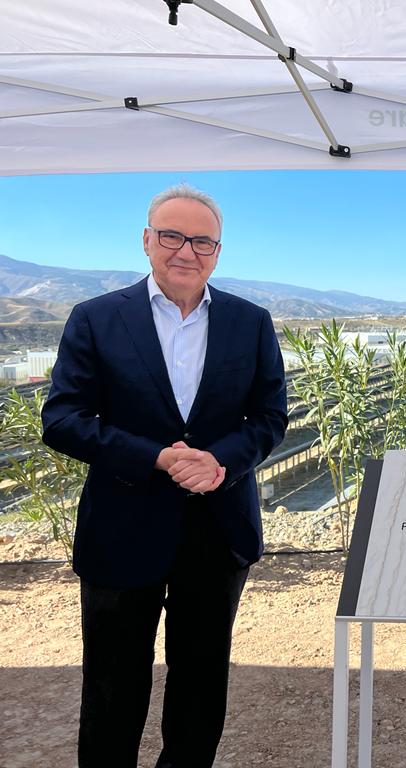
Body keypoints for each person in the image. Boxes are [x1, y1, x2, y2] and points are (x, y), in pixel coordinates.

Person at [42, 183, 288, 768]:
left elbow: (271, 416)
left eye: (202, 241)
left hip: (218, 526)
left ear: (218, 251)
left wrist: (221, 460)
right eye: (173, 236)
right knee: (112, 683)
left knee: (202, 681)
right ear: (147, 241)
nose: (187, 251)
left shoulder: (250, 322)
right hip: (123, 524)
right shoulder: (96, 318)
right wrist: (156, 457)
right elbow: (62, 418)